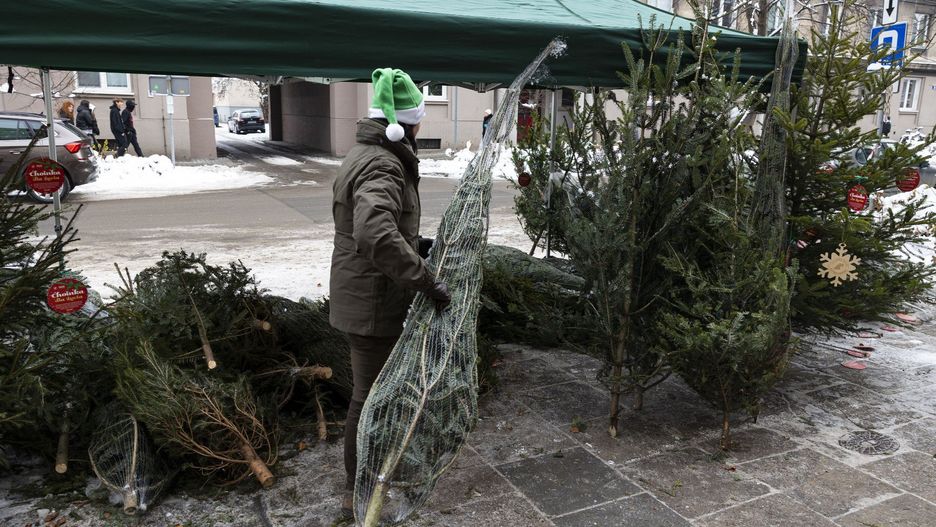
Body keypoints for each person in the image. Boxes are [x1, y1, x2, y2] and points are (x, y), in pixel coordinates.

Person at [329, 67, 451, 519]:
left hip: (364, 289)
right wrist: (425, 278)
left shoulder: (367, 151)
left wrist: (415, 245)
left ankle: (367, 479)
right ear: (405, 123)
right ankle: (358, 491)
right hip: (372, 298)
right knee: (370, 398)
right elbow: (375, 233)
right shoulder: (384, 162)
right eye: (419, 119)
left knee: (373, 393)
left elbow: (376, 226)